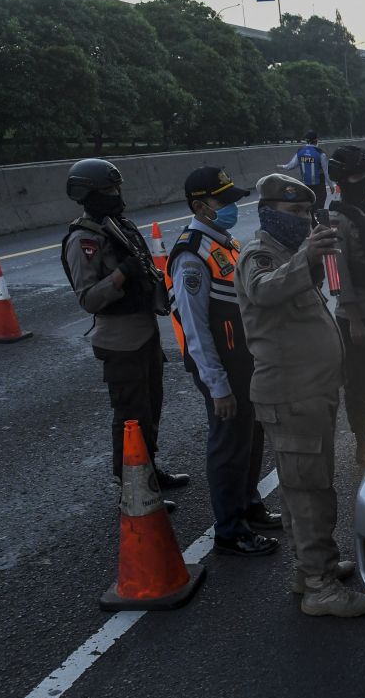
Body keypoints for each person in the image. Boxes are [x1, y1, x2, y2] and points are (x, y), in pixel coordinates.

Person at [235, 174, 365, 618]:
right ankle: (319, 586)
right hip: (290, 394)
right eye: (293, 213)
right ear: (270, 212)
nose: (302, 221)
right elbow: (263, 290)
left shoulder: (290, 255)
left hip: (311, 392)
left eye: (306, 214)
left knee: (305, 486)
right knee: (308, 490)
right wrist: (305, 258)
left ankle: (312, 566)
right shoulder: (260, 255)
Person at [167, 167, 281, 558]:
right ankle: (230, 530)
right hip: (223, 368)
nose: (232, 206)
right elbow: (195, 328)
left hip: (244, 362)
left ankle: (250, 506)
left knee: (251, 440)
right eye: (224, 201)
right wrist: (217, 384)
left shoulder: (224, 242)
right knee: (229, 446)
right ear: (200, 206)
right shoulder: (191, 254)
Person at [62, 159, 188, 508]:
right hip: (120, 341)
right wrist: (123, 275)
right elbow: (88, 298)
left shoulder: (118, 227)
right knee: (131, 417)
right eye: (107, 191)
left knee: (151, 410)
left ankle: (150, 470)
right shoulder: (85, 239)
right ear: (88, 194)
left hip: (144, 334)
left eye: (117, 189)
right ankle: (133, 487)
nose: (116, 196)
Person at [326, 146, 365, 464]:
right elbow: (337, 275)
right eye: (356, 175)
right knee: (357, 381)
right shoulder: (335, 220)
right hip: (356, 315)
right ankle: (361, 441)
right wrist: (353, 319)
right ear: (341, 179)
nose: (364, 181)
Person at [278, 130, 331, 209]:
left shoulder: (300, 152)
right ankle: (319, 220)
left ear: (306, 140)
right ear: (316, 140)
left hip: (306, 185)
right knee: (319, 208)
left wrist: (282, 166)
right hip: (319, 186)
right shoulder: (320, 153)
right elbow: (326, 171)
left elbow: (290, 166)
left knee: (308, 207)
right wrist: (331, 185)